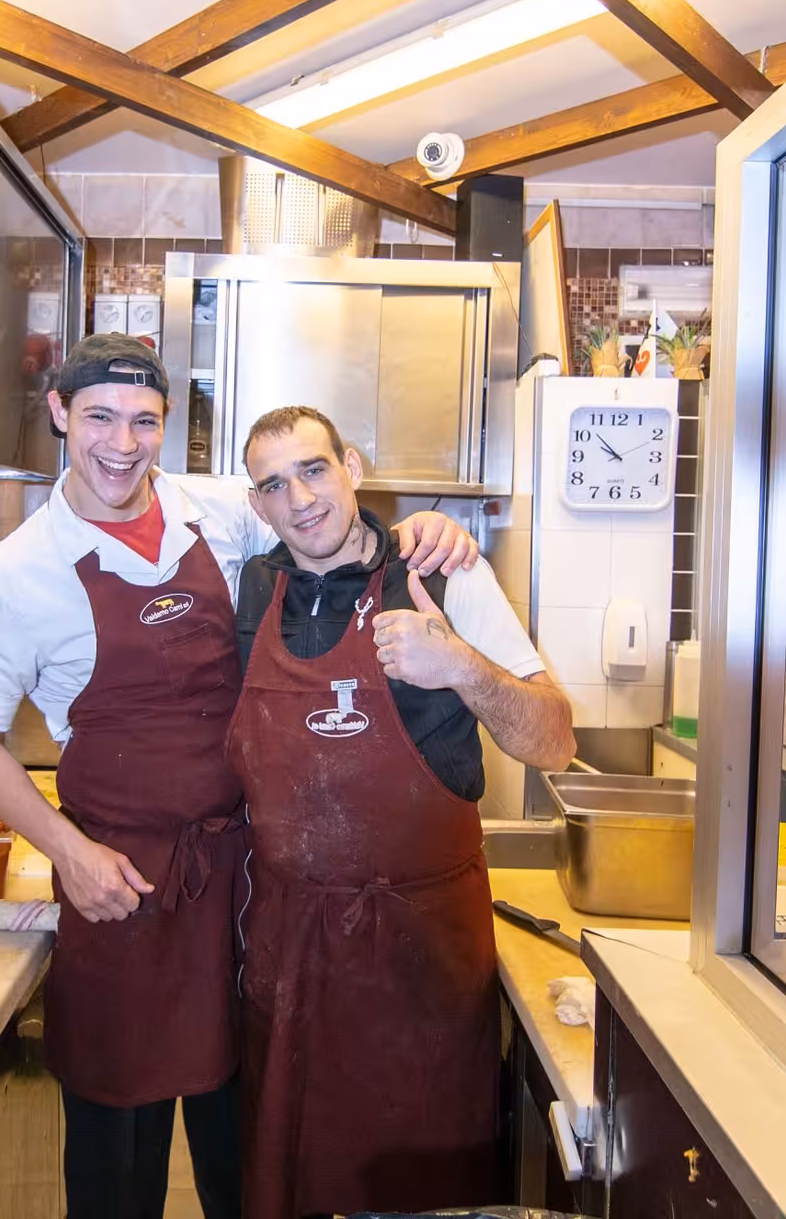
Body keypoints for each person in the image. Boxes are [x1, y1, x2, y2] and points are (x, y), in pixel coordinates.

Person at [0, 337, 480, 1219]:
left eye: (144, 421)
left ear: (166, 428)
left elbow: (326, 520)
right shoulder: (12, 575)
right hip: (122, 892)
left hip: (241, 882)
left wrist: (427, 530)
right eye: (100, 418)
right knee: (119, 1170)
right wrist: (67, 851)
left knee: (248, 1152)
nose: (123, 442)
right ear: (58, 415)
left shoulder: (220, 512)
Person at [227, 404, 577, 1219]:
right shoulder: (252, 586)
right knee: (291, 1181)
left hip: (420, 960)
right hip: (292, 952)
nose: (301, 499)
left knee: (421, 1190)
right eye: (274, 485)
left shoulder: (443, 573)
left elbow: (554, 740)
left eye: (314, 469)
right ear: (256, 506)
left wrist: (460, 666)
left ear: (351, 464)